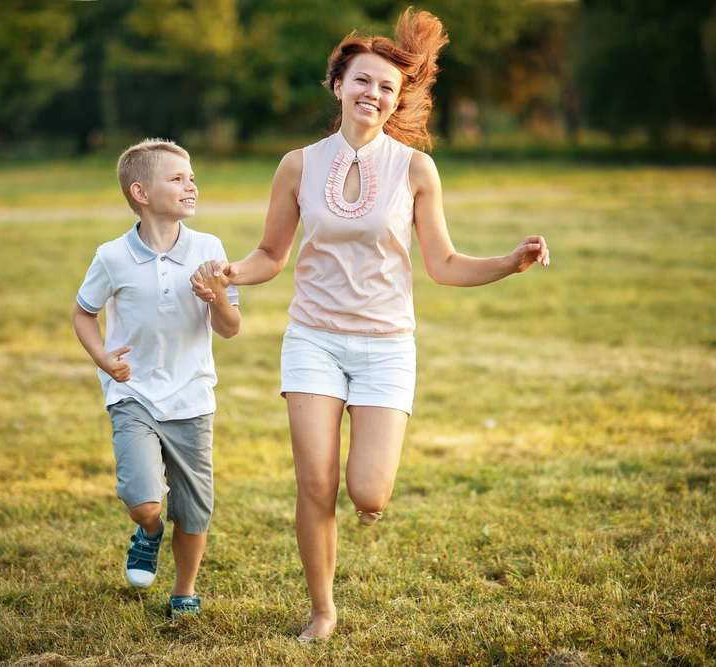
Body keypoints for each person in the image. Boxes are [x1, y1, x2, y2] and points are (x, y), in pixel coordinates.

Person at [191, 8, 550, 641]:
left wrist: (508, 262)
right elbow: (271, 254)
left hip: (386, 346)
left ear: (396, 99)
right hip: (314, 339)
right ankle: (322, 611)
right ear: (338, 85)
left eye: (386, 86)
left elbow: (442, 263)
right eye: (362, 81)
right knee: (316, 481)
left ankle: (370, 505)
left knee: (369, 494)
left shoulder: (415, 169)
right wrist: (229, 274)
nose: (373, 94)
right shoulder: (297, 165)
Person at [73, 138, 240, 619]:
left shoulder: (208, 248)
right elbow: (83, 313)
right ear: (141, 192)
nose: (191, 185)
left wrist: (218, 299)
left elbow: (230, 329)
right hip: (134, 394)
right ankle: (148, 531)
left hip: (192, 398)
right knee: (143, 499)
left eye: (191, 177)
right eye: (178, 178)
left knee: (193, 509)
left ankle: (183, 591)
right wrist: (104, 359)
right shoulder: (112, 256)